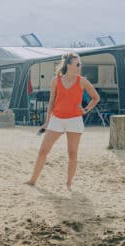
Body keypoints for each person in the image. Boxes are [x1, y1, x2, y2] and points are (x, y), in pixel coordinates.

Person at [27, 52, 100, 190]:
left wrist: (85, 110)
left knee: (72, 153)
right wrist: (48, 121)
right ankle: (32, 180)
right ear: (68, 65)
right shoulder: (56, 81)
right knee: (43, 151)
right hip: (57, 119)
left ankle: (68, 184)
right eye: (77, 64)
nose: (80, 66)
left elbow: (96, 98)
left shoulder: (82, 81)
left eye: (80, 64)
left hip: (74, 120)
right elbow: (51, 102)